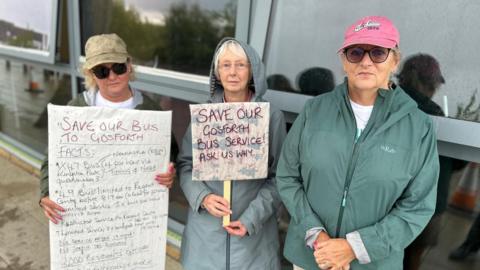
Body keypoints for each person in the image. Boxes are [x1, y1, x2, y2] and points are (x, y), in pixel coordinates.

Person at [276, 16, 439, 270]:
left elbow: (418, 207)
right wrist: (315, 234)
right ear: (343, 61)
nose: (365, 61)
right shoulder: (314, 111)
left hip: (373, 264)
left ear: (395, 60)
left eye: (378, 52)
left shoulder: (419, 127)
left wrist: (355, 247)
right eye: (355, 52)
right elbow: (287, 176)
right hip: (312, 257)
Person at [39, 33, 178, 223]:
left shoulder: (152, 112)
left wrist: (170, 173)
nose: (112, 76)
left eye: (118, 68)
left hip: (136, 216)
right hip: (87, 220)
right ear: (91, 74)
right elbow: (52, 158)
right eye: (102, 71)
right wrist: (46, 193)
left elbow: (171, 154)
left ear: (129, 66)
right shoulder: (75, 110)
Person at [177, 37, 286, 269]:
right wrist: (202, 197)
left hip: (253, 241)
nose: (233, 72)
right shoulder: (205, 115)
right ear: (217, 72)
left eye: (240, 65)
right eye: (226, 65)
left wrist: (251, 218)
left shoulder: (270, 116)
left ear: (252, 70)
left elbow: (280, 177)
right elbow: (186, 165)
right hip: (205, 238)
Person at [397, 53, 467, 269]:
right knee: (412, 259)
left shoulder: (385, 103)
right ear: (430, 84)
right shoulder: (434, 114)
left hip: (389, 198)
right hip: (427, 203)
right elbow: (456, 162)